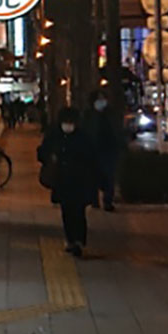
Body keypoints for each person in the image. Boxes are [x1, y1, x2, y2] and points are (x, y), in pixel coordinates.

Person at [37, 106, 99, 256]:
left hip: (79, 181)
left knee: (78, 211)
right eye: (66, 122)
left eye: (71, 123)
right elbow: (41, 153)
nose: (68, 126)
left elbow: (92, 158)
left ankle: (78, 240)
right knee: (67, 211)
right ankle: (71, 239)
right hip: (62, 180)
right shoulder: (54, 136)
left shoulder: (83, 138)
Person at [83, 90, 124, 212]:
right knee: (93, 177)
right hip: (93, 151)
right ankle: (94, 200)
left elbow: (117, 131)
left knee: (109, 176)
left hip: (108, 150)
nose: (101, 102)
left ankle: (108, 201)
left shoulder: (110, 114)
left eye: (103, 98)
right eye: (98, 99)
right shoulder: (88, 115)